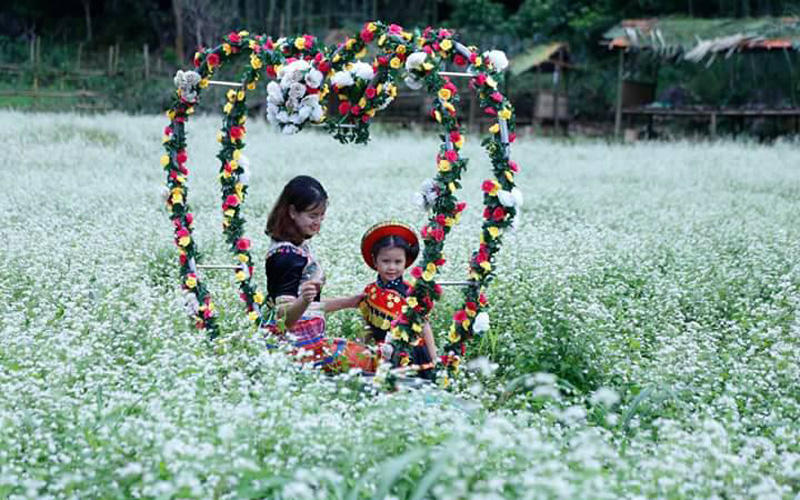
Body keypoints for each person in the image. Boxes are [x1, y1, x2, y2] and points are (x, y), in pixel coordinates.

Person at [263, 175, 376, 373]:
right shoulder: (286, 256)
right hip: (297, 351)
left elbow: (309, 308)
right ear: (292, 212)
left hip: (307, 344)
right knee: (369, 363)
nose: (318, 222)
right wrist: (304, 300)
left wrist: (350, 302)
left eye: (321, 216)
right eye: (313, 215)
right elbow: (284, 317)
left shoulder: (297, 248)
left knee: (366, 357)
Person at [358, 221, 437, 379]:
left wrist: (434, 358)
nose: (392, 267)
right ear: (375, 261)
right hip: (381, 355)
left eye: (398, 262)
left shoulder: (412, 292)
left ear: (406, 262)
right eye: (386, 261)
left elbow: (424, 326)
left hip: (411, 355)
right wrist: (360, 348)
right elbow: (368, 324)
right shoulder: (370, 291)